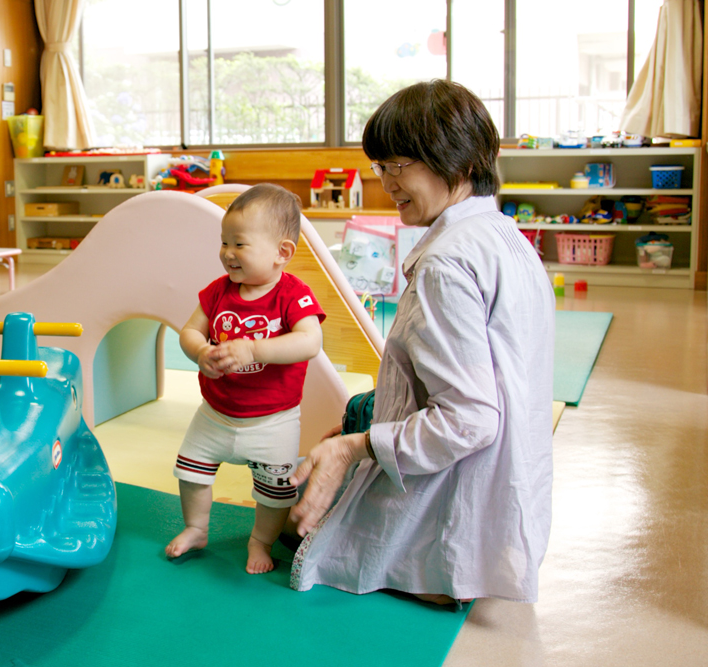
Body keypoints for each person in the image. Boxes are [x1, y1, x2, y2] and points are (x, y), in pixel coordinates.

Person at [288, 80, 555, 605]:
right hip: (513, 497)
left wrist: (352, 448)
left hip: (457, 505)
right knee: (351, 420)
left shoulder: (445, 265)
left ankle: (430, 571)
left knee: (300, 531)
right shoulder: (504, 235)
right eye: (380, 166)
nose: (386, 181)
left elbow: (470, 419)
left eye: (398, 165)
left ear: (454, 162)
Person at [166, 183, 326, 574]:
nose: (227, 253)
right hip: (216, 412)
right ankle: (196, 527)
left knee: (274, 493)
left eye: (240, 244)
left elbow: (310, 341)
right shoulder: (218, 292)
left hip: (273, 419)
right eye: (224, 243)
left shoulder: (293, 295)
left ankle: (260, 540)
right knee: (191, 470)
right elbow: (189, 332)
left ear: (282, 253)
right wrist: (201, 351)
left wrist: (255, 349)